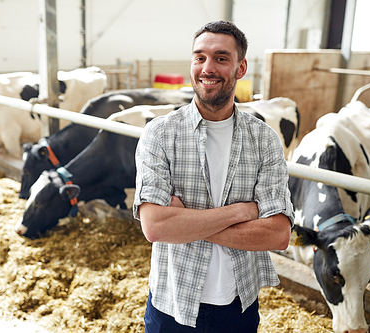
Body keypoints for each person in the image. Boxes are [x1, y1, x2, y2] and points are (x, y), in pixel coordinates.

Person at [133, 20, 294, 333]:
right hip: (171, 305)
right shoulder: (160, 134)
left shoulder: (265, 139)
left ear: (240, 67)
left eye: (221, 58)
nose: (207, 68)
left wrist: (183, 222)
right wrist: (241, 212)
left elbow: (278, 234)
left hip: (237, 308)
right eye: (199, 57)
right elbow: (154, 227)